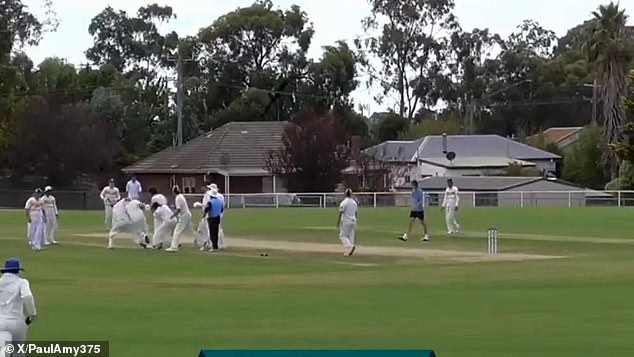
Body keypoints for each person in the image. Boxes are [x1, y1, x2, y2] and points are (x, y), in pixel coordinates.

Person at [0, 258, 37, 351]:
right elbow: (27, 297)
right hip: (16, 321)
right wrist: (32, 313)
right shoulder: (21, 282)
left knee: (3, 350)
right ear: (17, 270)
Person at [166, 185, 196, 252]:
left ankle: (174, 247)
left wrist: (172, 216)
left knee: (177, 231)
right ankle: (204, 242)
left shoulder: (177, 198)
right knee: (191, 230)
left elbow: (178, 209)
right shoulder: (181, 196)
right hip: (187, 214)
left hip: (184, 216)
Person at [336, 188, 358, 256]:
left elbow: (341, 212)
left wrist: (338, 222)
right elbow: (356, 213)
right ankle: (349, 252)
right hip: (354, 221)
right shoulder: (354, 203)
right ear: (351, 194)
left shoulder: (344, 202)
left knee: (342, 236)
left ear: (345, 194)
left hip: (346, 221)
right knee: (351, 237)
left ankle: (351, 246)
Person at [208, 183, 226, 249]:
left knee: (214, 230)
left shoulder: (217, 197)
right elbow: (222, 206)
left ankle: (216, 244)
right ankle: (220, 243)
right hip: (219, 214)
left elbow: (209, 206)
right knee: (218, 229)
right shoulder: (220, 196)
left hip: (214, 215)